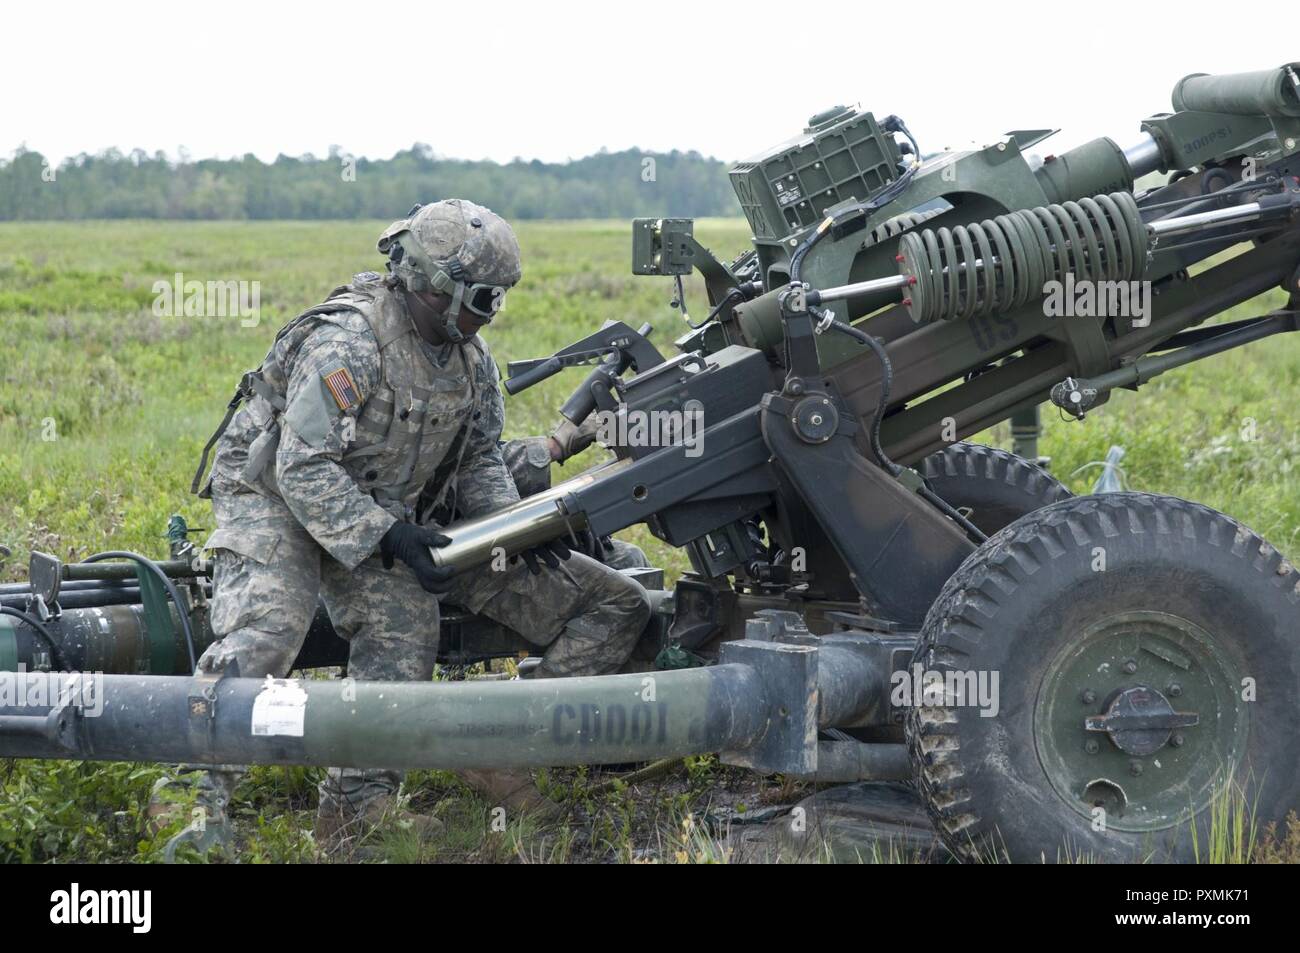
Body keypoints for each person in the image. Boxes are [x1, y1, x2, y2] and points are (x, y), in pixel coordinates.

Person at [152, 199, 650, 850]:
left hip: (384, 501)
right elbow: (301, 466)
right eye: (481, 297)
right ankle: (192, 792)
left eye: (497, 299)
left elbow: (476, 457)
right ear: (433, 286)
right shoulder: (353, 342)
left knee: (404, 624)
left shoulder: (470, 363)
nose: (489, 313)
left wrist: (518, 527)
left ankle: (360, 811)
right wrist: (387, 536)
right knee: (268, 629)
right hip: (274, 491)